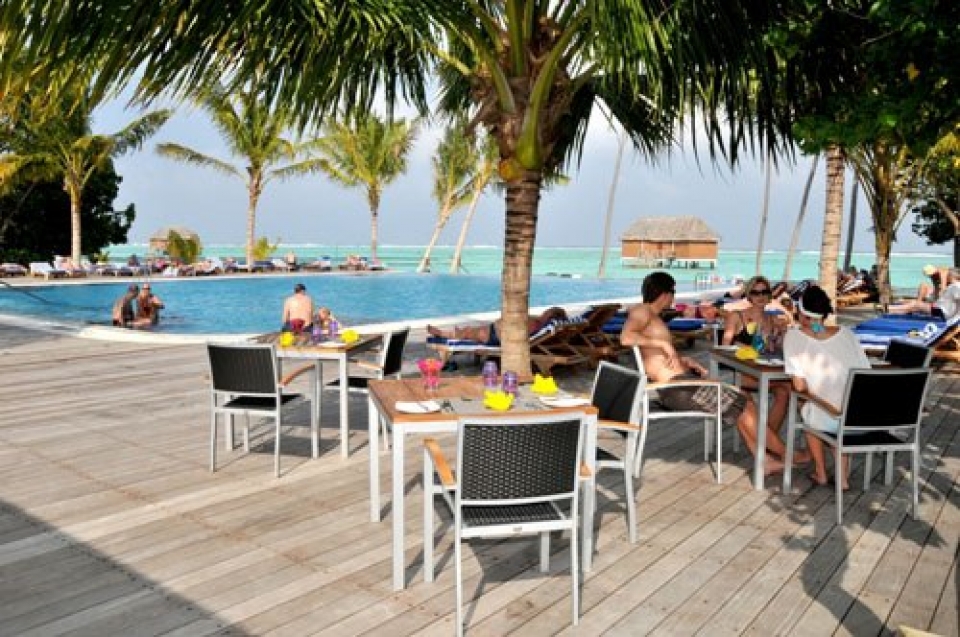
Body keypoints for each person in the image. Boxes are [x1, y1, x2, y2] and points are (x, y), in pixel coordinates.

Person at [620, 272, 793, 475]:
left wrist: (684, 360)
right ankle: (788, 455)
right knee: (742, 403)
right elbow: (625, 338)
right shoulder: (642, 311)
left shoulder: (653, 317)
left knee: (743, 401)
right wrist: (662, 344)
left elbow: (654, 357)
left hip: (683, 383)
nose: (673, 296)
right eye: (673, 291)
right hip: (677, 389)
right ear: (665, 293)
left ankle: (764, 460)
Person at [783, 284, 871, 489]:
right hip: (862, 419)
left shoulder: (793, 337)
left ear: (801, 312)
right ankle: (842, 478)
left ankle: (821, 472)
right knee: (835, 400)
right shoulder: (847, 334)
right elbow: (865, 374)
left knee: (809, 407)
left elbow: (799, 386)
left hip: (834, 419)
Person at [721, 275, 793, 439]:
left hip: (766, 372)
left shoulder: (773, 319)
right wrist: (741, 346)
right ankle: (767, 443)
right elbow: (725, 347)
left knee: (785, 392)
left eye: (764, 292)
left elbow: (778, 349)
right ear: (749, 295)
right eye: (755, 292)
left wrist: (782, 333)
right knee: (788, 388)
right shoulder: (737, 316)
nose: (760, 296)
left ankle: (765, 441)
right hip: (743, 373)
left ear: (769, 295)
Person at [426, 306, 568, 346]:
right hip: (494, 331)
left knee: (469, 332)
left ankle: (444, 334)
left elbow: (518, 333)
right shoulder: (539, 324)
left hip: (494, 336)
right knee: (470, 331)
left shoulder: (536, 324)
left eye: (547, 312)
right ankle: (458, 333)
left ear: (549, 317)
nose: (544, 312)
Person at [888, 267, 960, 320]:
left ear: (951, 276)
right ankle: (889, 309)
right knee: (914, 305)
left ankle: (889, 309)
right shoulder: (953, 286)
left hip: (942, 311)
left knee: (915, 305)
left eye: (948, 275)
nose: (946, 277)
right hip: (941, 309)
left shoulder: (956, 286)